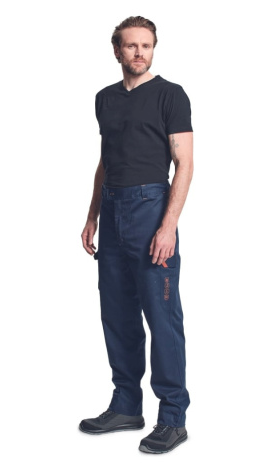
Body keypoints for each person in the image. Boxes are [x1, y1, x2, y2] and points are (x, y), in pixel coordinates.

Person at [79, 16, 194, 454]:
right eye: (131, 45)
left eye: (146, 45)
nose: (140, 52)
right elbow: (106, 160)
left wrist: (168, 226)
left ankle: (173, 418)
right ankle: (126, 405)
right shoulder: (105, 99)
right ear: (117, 50)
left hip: (151, 210)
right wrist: (92, 215)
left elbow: (185, 163)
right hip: (112, 209)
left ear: (153, 49)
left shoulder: (170, 95)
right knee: (117, 314)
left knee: (162, 318)